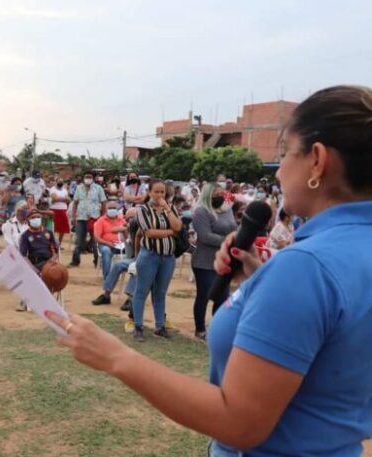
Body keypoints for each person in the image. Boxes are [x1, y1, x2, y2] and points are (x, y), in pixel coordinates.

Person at [47, 85, 372, 457]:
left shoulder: (305, 269)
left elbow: (240, 422)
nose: (279, 170)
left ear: (316, 160)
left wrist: (118, 358)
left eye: (285, 154)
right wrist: (259, 281)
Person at [129, 180, 181, 341]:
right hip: (149, 255)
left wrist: (167, 209)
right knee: (141, 291)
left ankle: (160, 326)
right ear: (149, 192)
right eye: (156, 192)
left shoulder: (170, 208)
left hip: (168, 257)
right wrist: (170, 232)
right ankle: (138, 326)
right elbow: (149, 233)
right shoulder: (142, 210)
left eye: (162, 192)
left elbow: (178, 227)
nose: (159, 195)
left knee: (160, 292)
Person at [191, 183, 237, 340]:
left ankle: (217, 329)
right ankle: (200, 329)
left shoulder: (227, 209)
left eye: (221, 193)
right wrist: (227, 240)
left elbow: (234, 228)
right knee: (204, 295)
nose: (219, 197)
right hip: (204, 261)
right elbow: (205, 236)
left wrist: (234, 237)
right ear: (207, 195)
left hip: (224, 260)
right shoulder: (201, 211)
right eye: (215, 194)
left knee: (223, 297)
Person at [69, 171, 106, 267]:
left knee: (95, 241)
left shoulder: (98, 188)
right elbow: (75, 203)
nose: (87, 178)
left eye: (89, 177)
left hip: (95, 218)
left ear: (93, 178)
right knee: (79, 240)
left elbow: (104, 203)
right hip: (81, 217)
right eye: (86, 176)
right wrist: (73, 216)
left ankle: (97, 262)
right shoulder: (78, 188)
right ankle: (75, 261)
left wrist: (103, 217)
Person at [92, 200, 128, 278]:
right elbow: (96, 237)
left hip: (120, 245)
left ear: (117, 209)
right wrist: (107, 243)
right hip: (105, 244)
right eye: (110, 208)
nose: (112, 210)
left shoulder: (121, 219)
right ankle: (108, 277)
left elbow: (127, 235)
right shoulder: (101, 220)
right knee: (106, 251)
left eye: (114, 208)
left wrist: (125, 229)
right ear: (106, 209)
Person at [48, 178, 71, 243]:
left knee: (62, 229)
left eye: (61, 181)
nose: (60, 182)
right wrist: (64, 199)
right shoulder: (52, 189)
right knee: (53, 227)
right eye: (59, 181)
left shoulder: (65, 190)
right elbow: (55, 198)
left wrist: (59, 199)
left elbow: (69, 199)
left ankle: (59, 243)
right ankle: (52, 242)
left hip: (63, 210)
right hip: (54, 210)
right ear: (56, 181)